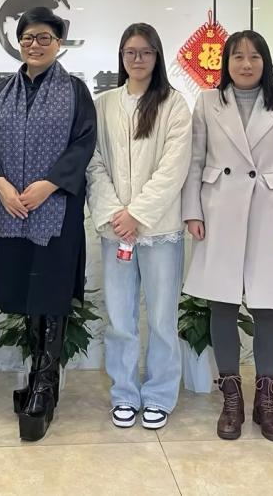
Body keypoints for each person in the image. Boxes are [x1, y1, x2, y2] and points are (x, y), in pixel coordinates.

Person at [181, 30, 273, 442]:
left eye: (254, 56)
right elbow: (195, 161)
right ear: (226, 63)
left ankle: (266, 401)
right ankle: (231, 399)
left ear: (265, 62)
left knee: (267, 306)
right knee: (222, 304)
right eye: (237, 56)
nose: (246, 64)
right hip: (220, 210)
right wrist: (192, 211)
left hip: (268, 213)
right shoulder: (207, 101)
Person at [0, 6, 97, 441]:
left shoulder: (75, 91)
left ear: (58, 43)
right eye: (28, 37)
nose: (35, 44)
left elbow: (84, 143)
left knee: (51, 291)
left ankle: (45, 385)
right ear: (19, 42)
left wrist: (48, 185)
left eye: (44, 37)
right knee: (27, 292)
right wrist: (1, 185)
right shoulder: (1, 90)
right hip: (12, 209)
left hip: (56, 210)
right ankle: (36, 377)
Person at [87, 22, 191, 431]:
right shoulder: (104, 104)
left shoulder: (173, 104)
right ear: (121, 56)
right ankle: (125, 393)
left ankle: (160, 395)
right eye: (130, 52)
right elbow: (94, 163)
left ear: (157, 56)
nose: (138, 59)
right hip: (116, 230)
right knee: (120, 318)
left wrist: (138, 214)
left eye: (146, 52)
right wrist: (117, 214)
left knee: (162, 318)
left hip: (160, 230)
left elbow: (173, 168)